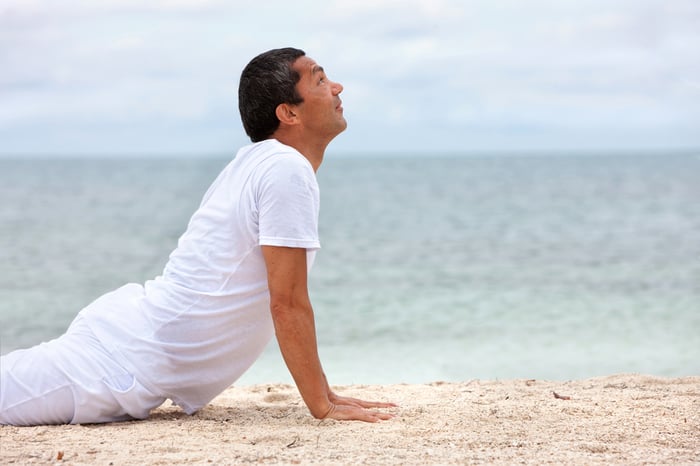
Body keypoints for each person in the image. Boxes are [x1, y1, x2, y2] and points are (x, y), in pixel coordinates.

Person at [0, 47, 396, 426]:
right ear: (288, 112)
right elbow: (287, 302)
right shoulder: (283, 169)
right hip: (120, 362)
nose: (337, 88)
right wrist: (321, 406)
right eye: (320, 80)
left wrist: (326, 393)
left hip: (131, 351)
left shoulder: (263, 163)